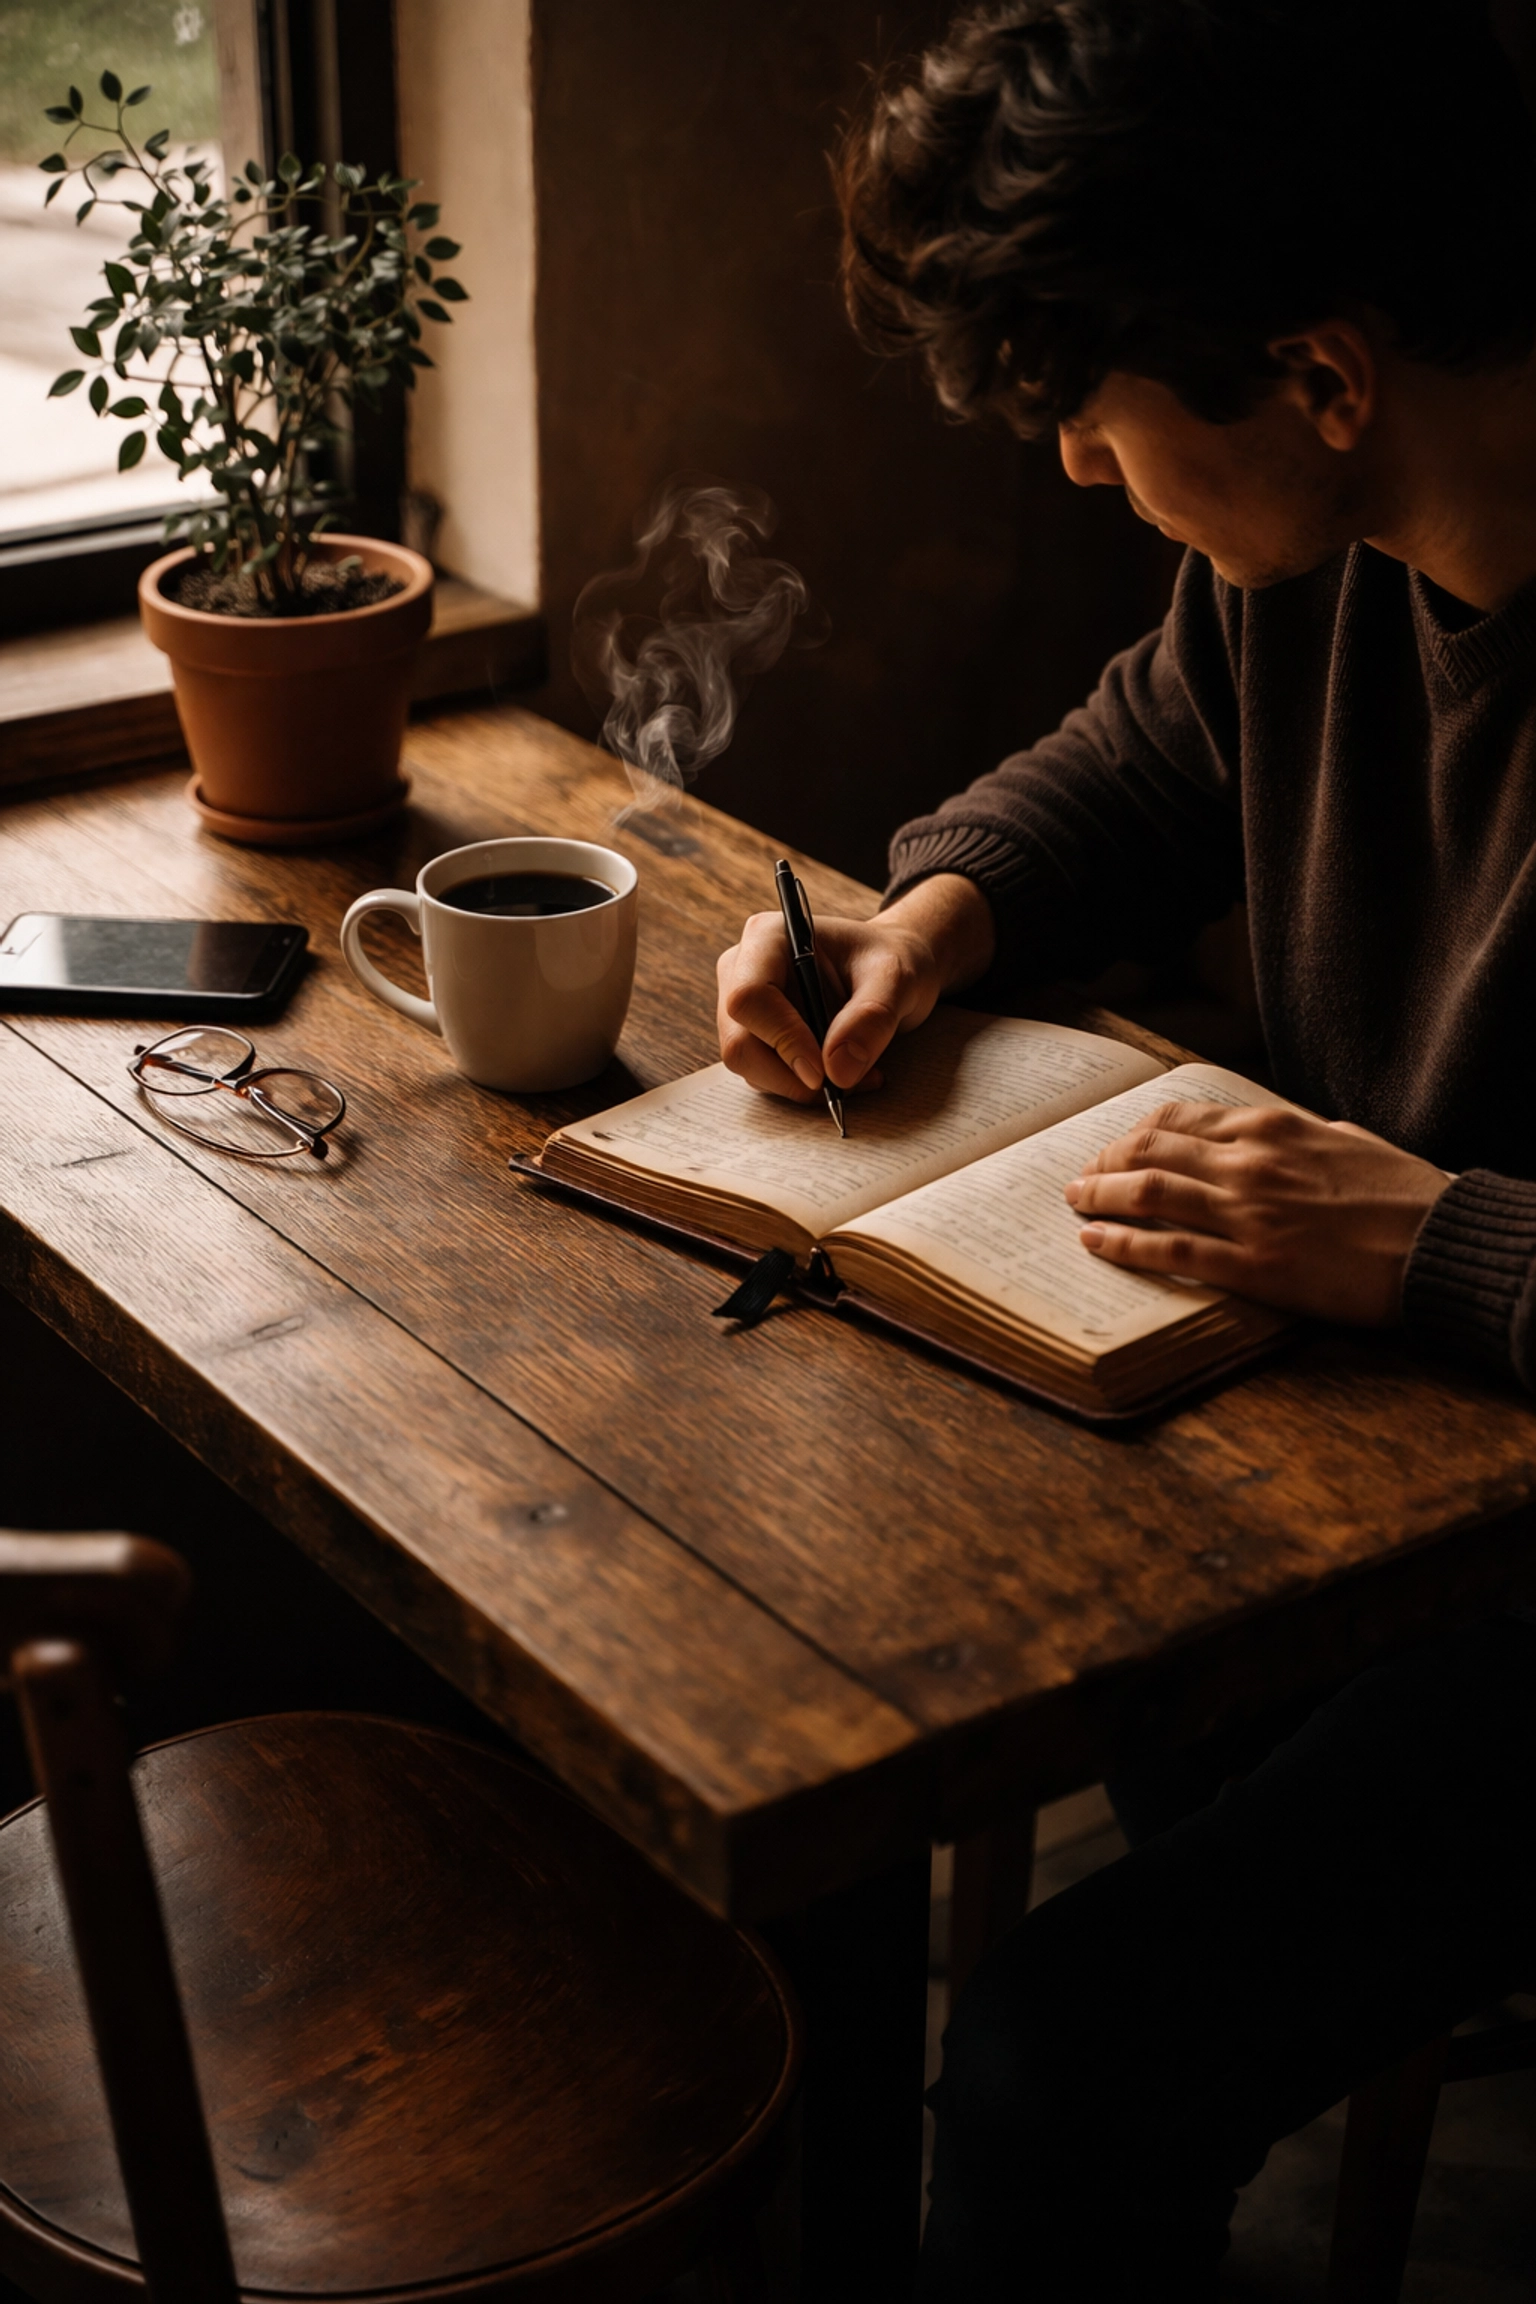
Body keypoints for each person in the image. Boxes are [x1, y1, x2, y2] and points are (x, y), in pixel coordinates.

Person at [714, 2, 1536, 2293]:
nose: (1078, 469)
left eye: (1094, 414)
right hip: (1387, 1476)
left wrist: (1448, 1242)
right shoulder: (1328, 555)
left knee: (1062, 2064)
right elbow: (1153, 758)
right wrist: (935, 919)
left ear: (1325, 376)